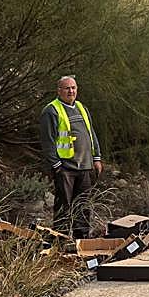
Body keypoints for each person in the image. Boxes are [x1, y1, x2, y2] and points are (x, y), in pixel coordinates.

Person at [39, 75, 102, 238]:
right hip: (65, 169)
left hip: (85, 167)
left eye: (73, 88)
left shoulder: (82, 108)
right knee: (63, 207)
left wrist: (96, 158)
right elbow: (48, 141)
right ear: (59, 91)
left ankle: (81, 241)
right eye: (67, 88)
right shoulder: (51, 110)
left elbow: (91, 133)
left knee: (83, 206)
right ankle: (60, 240)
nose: (71, 91)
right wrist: (57, 165)